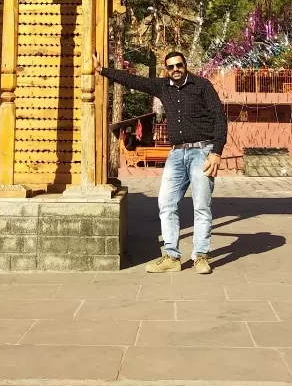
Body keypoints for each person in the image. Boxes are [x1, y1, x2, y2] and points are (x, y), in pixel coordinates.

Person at [93, 50, 227, 274]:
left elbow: (219, 118)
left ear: (185, 66)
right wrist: (102, 70)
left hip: (201, 152)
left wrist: (217, 152)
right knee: (166, 204)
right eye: (171, 67)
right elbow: (133, 80)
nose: (175, 70)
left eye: (179, 65)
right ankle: (171, 257)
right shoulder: (163, 86)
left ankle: (201, 256)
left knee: (202, 206)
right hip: (176, 155)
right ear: (167, 69)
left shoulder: (202, 86)